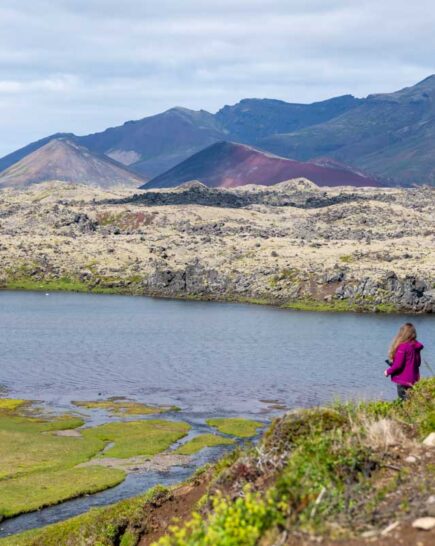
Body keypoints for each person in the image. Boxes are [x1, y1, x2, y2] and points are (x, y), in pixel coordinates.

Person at [384, 323, 424, 400]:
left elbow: (398, 365)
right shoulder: (415, 346)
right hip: (414, 379)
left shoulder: (402, 347)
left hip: (403, 380)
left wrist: (388, 372)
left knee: (403, 401)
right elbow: (418, 363)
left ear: (402, 334)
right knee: (411, 400)